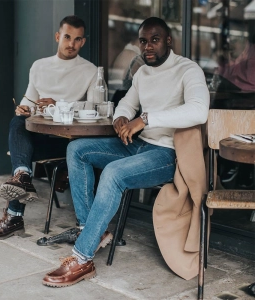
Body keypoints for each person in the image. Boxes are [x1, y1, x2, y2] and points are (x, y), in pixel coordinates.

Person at [42, 17, 209, 288]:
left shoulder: (187, 70)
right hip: (139, 146)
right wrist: (121, 117)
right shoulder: (143, 73)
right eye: (143, 41)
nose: (148, 47)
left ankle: (82, 258)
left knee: (114, 173)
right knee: (77, 149)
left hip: (166, 154)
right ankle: (91, 232)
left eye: (155, 40)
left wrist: (146, 119)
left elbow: (199, 110)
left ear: (169, 41)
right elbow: (126, 104)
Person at [0, 15, 97, 241]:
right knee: (17, 122)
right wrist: (23, 109)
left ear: (83, 42)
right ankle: (23, 176)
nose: (71, 44)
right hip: (38, 138)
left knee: (21, 150)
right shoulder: (39, 66)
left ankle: (13, 217)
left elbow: (94, 109)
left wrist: (59, 105)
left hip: (67, 143)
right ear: (57, 37)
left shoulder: (90, 71)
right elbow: (29, 102)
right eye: (67, 37)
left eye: (77, 39)